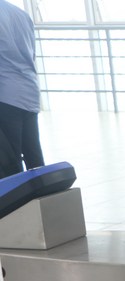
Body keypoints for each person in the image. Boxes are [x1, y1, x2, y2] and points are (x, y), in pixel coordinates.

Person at [0, 0, 44, 179]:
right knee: (33, 153)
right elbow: (31, 53)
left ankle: (16, 203)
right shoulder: (21, 14)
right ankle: (43, 196)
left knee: (10, 157)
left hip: (6, 94)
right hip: (29, 91)